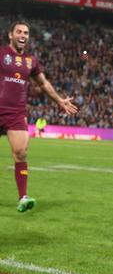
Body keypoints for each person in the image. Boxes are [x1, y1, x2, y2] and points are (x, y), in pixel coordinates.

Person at [0, 20, 78, 212]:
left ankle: (23, 197)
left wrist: (60, 101)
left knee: (21, 152)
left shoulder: (31, 61)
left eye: (26, 33)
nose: (23, 36)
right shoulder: (2, 54)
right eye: (19, 32)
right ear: (10, 35)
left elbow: (43, 84)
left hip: (16, 112)